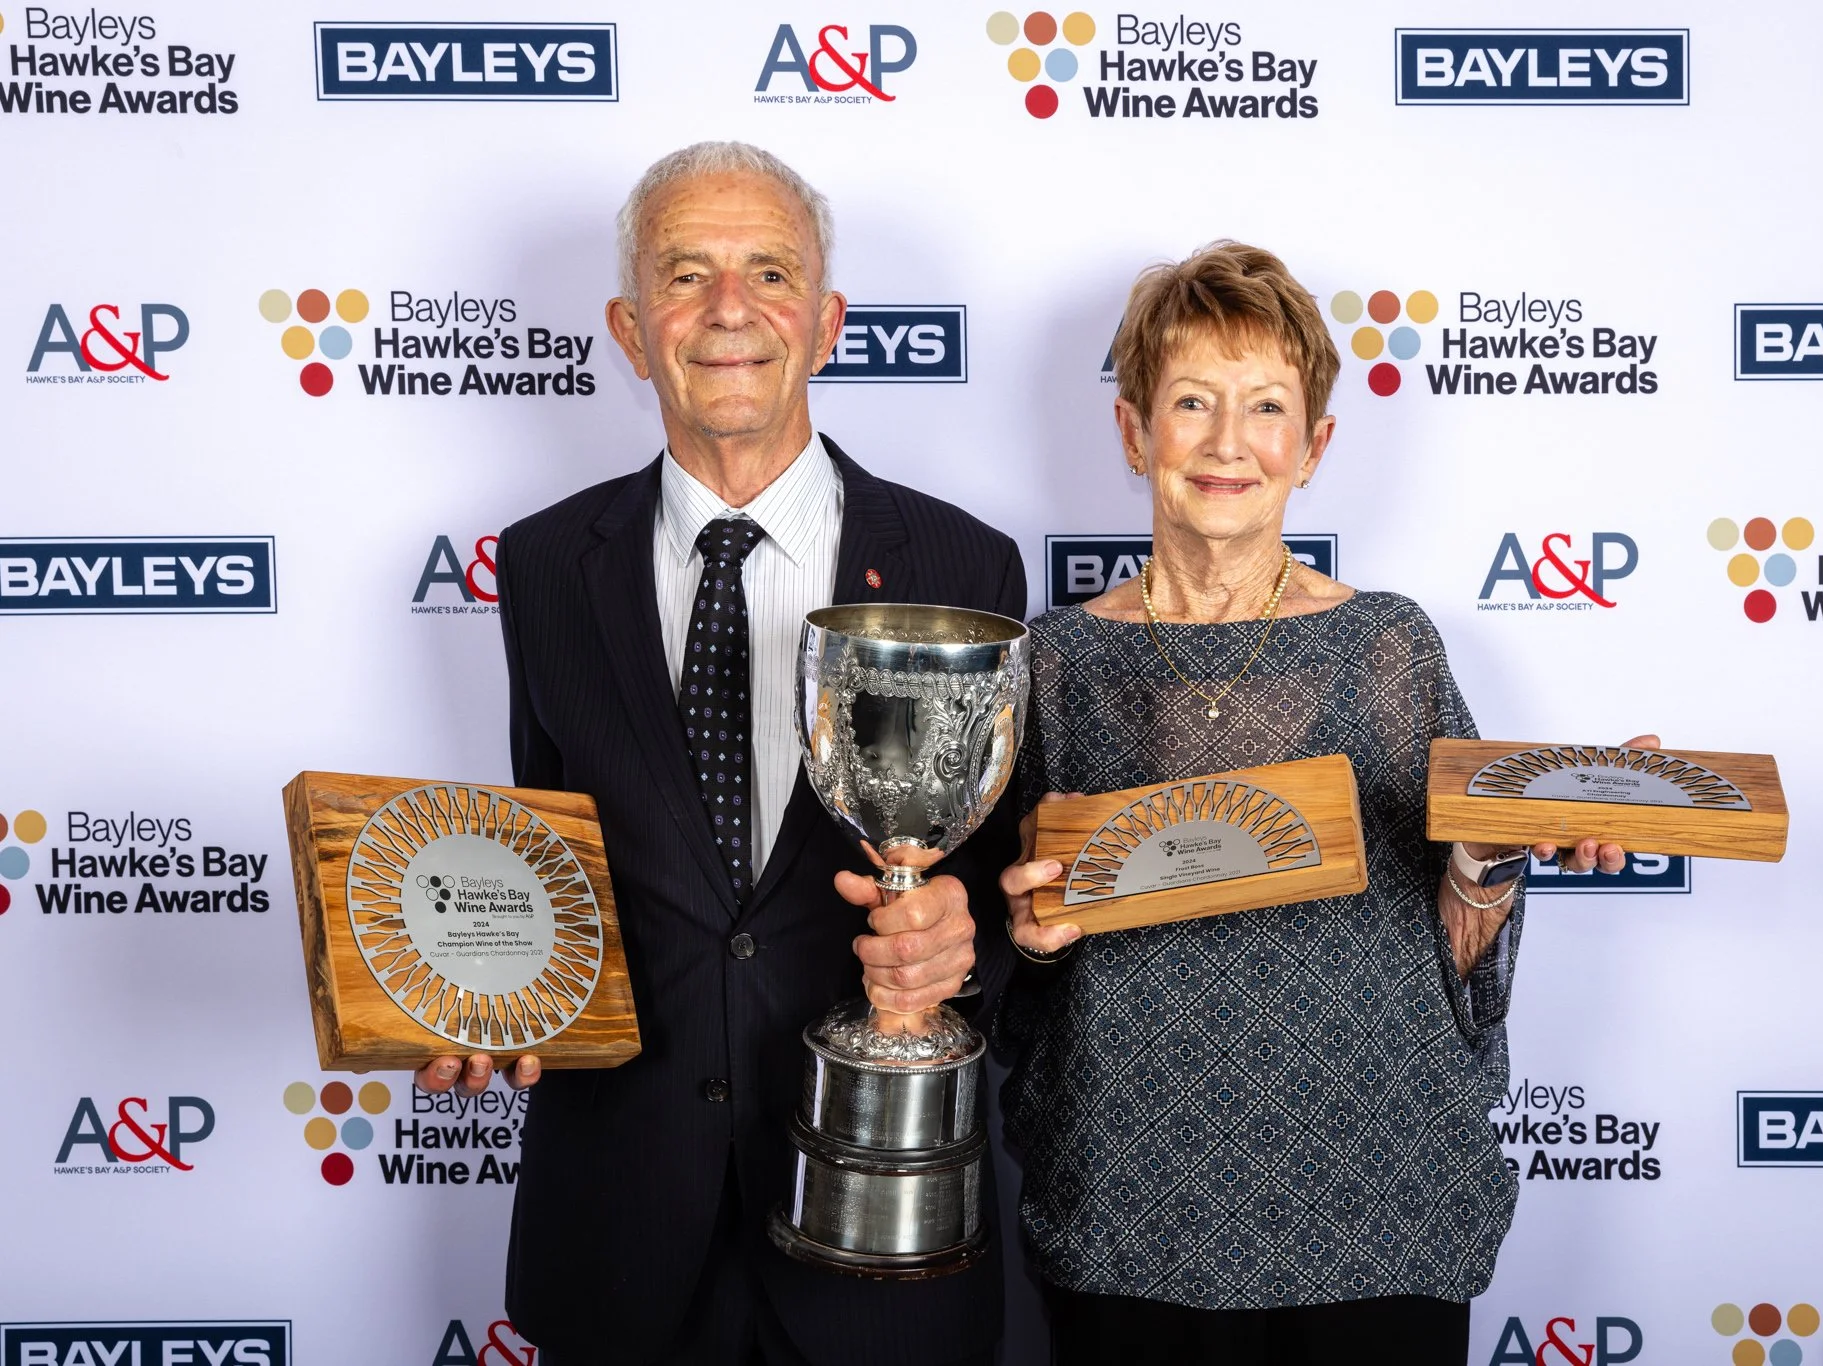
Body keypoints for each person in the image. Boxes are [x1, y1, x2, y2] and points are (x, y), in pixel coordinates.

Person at [415, 141, 1025, 1366]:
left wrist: (963, 943)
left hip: (879, 1220)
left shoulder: (966, 565)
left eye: (769, 272)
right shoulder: (541, 566)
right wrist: (494, 990)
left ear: (829, 320)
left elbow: (1014, 897)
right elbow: (549, 862)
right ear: (631, 329)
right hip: (622, 1233)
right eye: (684, 275)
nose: (728, 310)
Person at [996, 242, 1654, 1365]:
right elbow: (1018, 975)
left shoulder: (1390, 645)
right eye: (1190, 401)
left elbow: (1459, 957)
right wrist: (1035, 938)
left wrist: (1485, 862)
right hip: (1131, 1205)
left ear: (1313, 445)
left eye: (1264, 406)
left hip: (1379, 1203)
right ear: (1131, 431)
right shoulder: (1049, 665)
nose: (1224, 441)